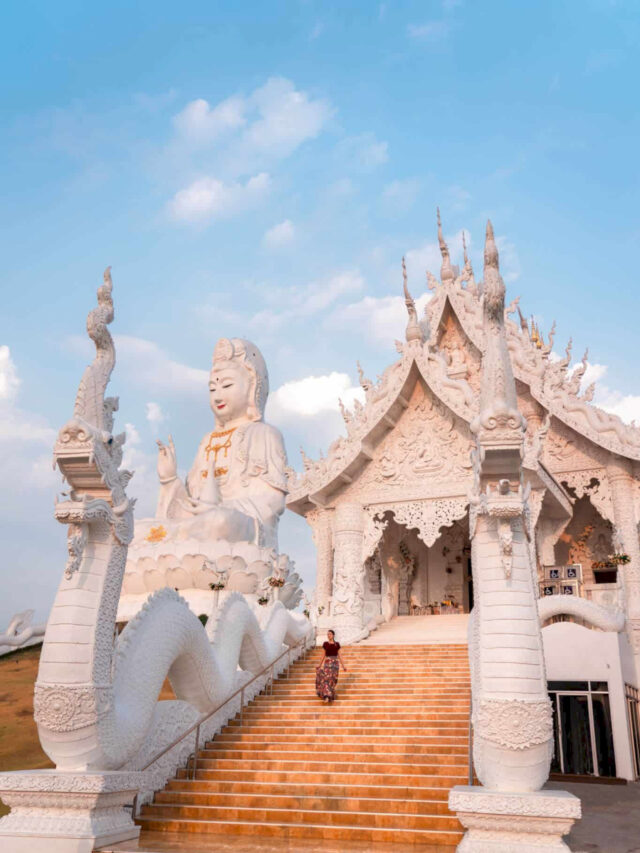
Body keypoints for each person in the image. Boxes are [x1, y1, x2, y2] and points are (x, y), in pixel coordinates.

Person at [315, 629, 347, 703]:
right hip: (327, 663)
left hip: (335, 664)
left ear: (333, 635)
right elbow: (323, 655)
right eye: (328, 634)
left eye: (330, 634)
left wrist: (344, 666)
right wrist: (319, 665)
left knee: (333, 680)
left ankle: (330, 695)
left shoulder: (337, 644)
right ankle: (326, 696)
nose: (328, 635)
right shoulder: (325, 644)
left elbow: (340, 656)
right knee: (326, 679)